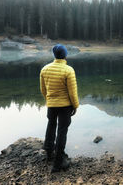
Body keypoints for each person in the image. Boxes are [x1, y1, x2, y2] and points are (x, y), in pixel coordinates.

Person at [40, 44, 79, 173]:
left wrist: (50, 100)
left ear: (54, 55)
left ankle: (48, 152)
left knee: (51, 125)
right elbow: (72, 93)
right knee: (62, 131)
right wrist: (75, 105)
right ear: (65, 55)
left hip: (51, 105)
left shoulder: (45, 69)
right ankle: (58, 163)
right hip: (65, 106)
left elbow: (43, 90)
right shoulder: (68, 70)